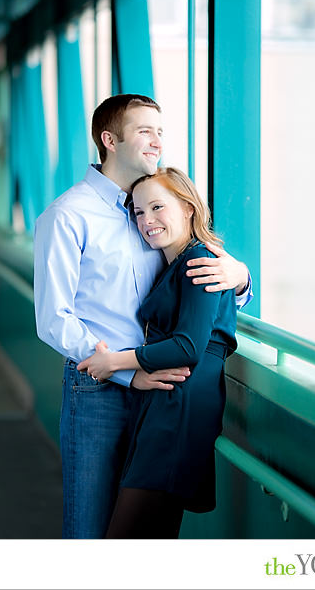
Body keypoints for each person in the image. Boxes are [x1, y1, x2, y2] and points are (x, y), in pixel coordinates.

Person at [34, 94, 252, 539]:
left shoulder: (157, 208)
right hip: (100, 386)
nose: (157, 141)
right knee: (93, 526)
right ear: (109, 140)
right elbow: (52, 318)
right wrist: (125, 373)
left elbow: (197, 290)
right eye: (144, 131)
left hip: (163, 392)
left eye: (160, 131)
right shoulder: (68, 215)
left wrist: (241, 275)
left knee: (143, 531)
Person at [77, 167, 236, 538]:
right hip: (165, 403)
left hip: (178, 409)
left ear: (187, 208)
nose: (147, 220)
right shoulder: (176, 263)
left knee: (127, 538)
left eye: (157, 208)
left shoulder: (201, 261)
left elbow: (189, 346)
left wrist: (113, 362)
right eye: (138, 211)